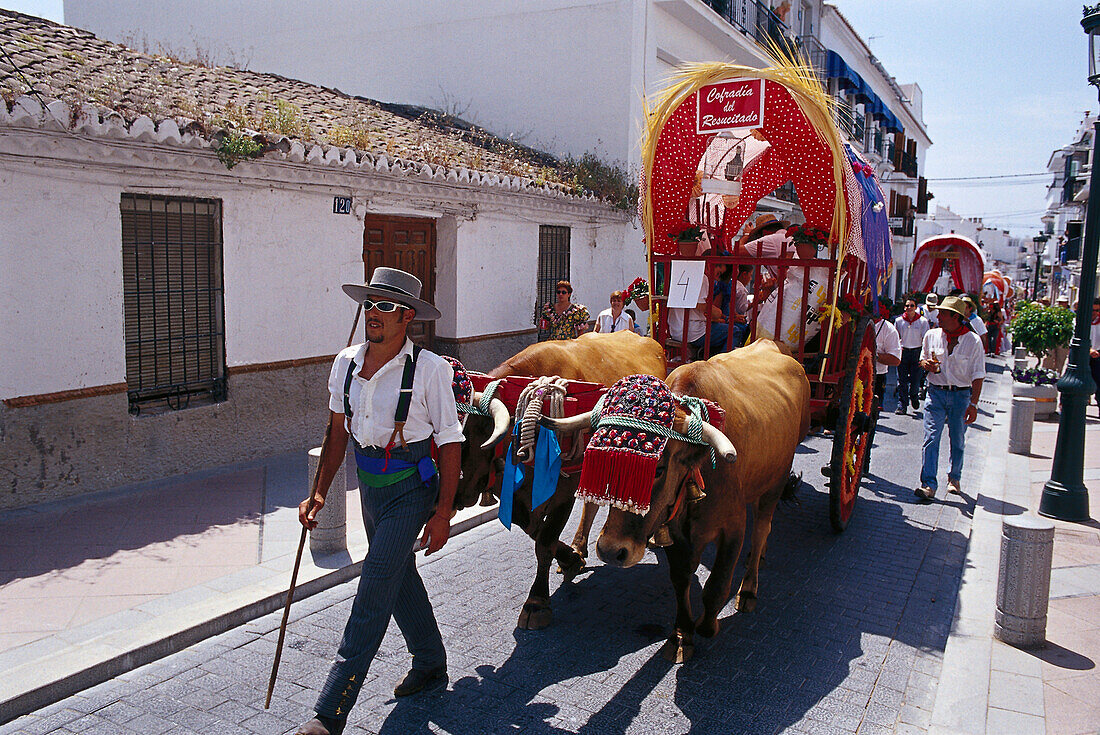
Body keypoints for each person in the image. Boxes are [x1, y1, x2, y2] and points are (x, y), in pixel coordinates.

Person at [296, 267, 464, 735]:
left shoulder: (431, 370)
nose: (374, 312)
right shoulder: (345, 362)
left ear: (407, 316)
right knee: (398, 575)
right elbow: (336, 434)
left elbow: (450, 442)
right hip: (370, 490)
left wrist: (444, 512)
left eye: (386, 306)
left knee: (373, 589)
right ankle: (430, 662)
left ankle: (330, 714)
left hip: (412, 488)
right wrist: (319, 493)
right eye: (370, 303)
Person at [914, 296, 985, 501]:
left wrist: (973, 404)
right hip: (935, 392)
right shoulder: (931, 335)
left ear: (956, 317)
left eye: (943, 313)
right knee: (931, 438)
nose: (938, 316)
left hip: (961, 395)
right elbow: (922, 359)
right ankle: (928, 484)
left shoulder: (973, 341)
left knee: (958, 440)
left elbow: (978, 375)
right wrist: (925, 364)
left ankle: (954, 478)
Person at [667, 237, 730, 355]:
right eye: (718, 273)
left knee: (719, 327)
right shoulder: (702, 277)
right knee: (734, 331)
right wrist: (718, 313)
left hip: (675, 330)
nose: (717, 278)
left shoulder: (684, 271)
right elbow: (701, 306)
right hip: (693, 332)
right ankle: (722, 363)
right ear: (711, 265)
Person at [866, 304, 901, 467]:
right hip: (855, 376)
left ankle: (864, 459)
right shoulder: (857, 321)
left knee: (869, 420)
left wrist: (874, 356)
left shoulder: (889, 329)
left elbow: (895, 359)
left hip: (876, 378)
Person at [893, 297, 930, 415]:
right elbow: (896, 336)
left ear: (916, 308)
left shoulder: (923, 321)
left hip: (916, 352)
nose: (909, 308)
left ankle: (914, 396)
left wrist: (924, 354)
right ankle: (902, 405)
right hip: (904, 352)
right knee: (902, 380)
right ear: (904, 307)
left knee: (915, 380)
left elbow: (925, 338)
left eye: (912, 306)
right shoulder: (899, 321)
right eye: (907, 305)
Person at [1091, 298, 1100, 412]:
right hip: (1082, 354)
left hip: (1098, 354)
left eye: (1097, 310)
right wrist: (1089, 350)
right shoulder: (1079, 320)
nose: (1095, 312)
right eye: (1093, 309)